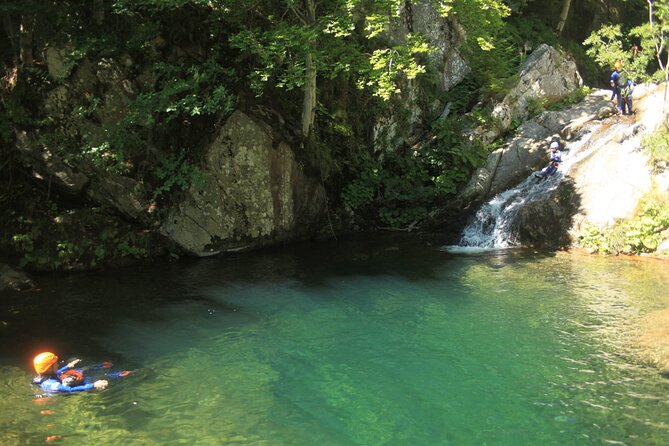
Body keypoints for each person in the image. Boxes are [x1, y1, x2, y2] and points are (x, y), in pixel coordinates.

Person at [32, 352, 108, 393]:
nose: (58, 364)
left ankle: (102, 365)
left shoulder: (46, 375)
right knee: (85, 379)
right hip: (63, 391)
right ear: (49, 369)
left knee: (80, 370)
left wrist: (68, 366)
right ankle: (116, 375)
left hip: (61, 383)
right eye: (55, 364)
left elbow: (57, 372)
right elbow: (69, 390)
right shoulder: (53, 384)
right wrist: (93, 385)